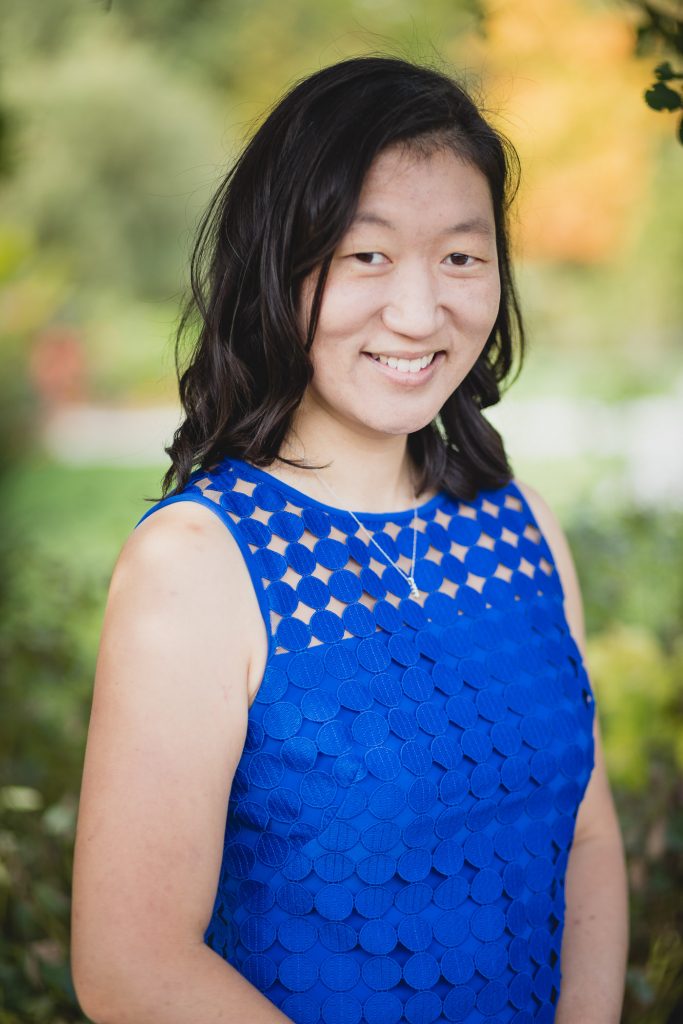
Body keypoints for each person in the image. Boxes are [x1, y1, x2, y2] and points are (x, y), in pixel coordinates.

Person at [70, 54, 628, 1024]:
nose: (418, 313)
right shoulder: (195, 564)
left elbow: (583, 844)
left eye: (459, 255)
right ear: (277, 264)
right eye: (364, 255)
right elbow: (131, 965)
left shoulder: (523, 528)